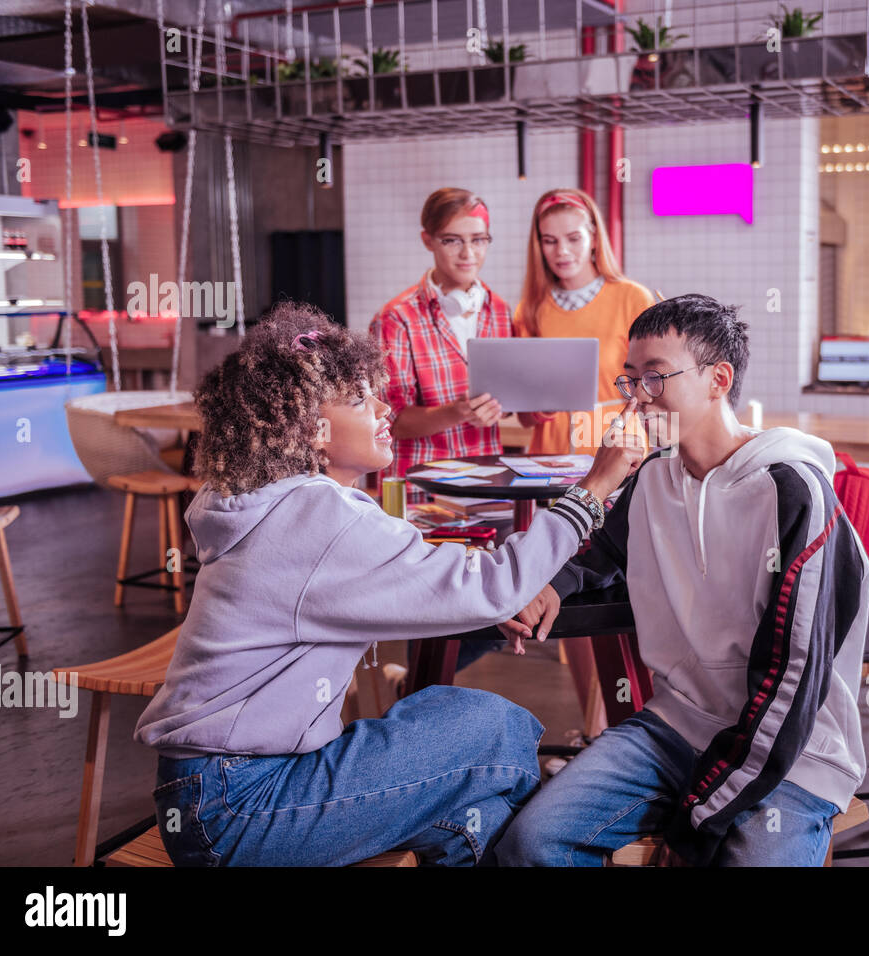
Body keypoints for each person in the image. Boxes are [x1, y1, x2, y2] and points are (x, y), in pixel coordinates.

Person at [132, 302, 644, 866]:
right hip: (237, 806)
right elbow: (493, 586)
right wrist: (594, 487)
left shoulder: (273, 505)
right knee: (493, 726)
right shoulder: (317, 515)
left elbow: (423, 586)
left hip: (216, 793)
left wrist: (475, 599)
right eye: (358, 399)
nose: (384, 409)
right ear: (310, 430)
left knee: (477, 817)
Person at [494, 294, 869, 867]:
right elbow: (599, 555)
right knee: (530, 843)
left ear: (719, 379)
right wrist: (553, 585)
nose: (637, 397)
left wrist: (701, 812)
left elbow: (794, 676)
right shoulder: (651, 479)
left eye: (655, 378)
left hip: (790, 753)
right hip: (673, 727)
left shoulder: (794, 492)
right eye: (630, 381)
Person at [369, 187, 511, 500]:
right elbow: (389, 420)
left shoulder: (500, 311)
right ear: (428, 240)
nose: (468, 253)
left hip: (487, 490)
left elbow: (507, 400)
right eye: (452, 240)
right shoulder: (396, 318)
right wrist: (457, 412)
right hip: (421, 494)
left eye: (478, 239)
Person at [513, 187, 656, 455]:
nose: (562, 251)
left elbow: (657, 387)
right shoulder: (529, 310)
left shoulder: (633, 299)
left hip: (619, 455)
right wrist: (542, 407)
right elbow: (524, 418)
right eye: (550, 241)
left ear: (593, 238)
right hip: (549, 461)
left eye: (573, 238)